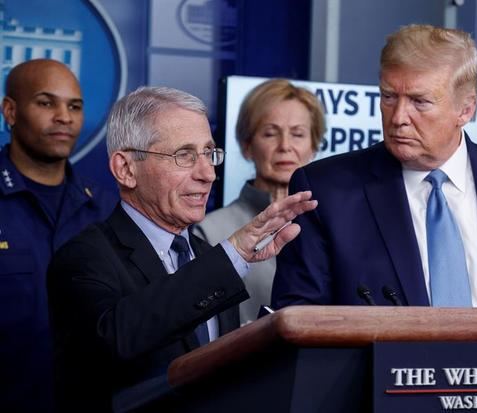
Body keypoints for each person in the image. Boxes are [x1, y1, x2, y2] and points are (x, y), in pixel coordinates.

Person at [47, 86, 317, 411]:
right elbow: (117, 339)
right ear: (126, 169)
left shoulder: (208, 256)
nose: (208, 174)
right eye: (184, 156)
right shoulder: (83, 258)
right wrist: (235, 254)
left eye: (209, 154)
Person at [271, 24, 477, 309]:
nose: (398, 116)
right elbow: (298, 319)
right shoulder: (327, 190)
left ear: (465, 109)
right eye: (388, 97)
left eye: (419, 101)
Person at [0, 59, 117, 411]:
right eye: (46, 102)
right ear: (10, 111)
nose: (64, 116)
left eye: (75, 106)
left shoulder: (108, 211)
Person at [194, 79, 325, 323]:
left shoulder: (333, 227)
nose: (285, 146)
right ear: (247, 146)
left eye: (297, 134)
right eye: (270, 133)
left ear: (314, 146)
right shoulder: (209, 232)